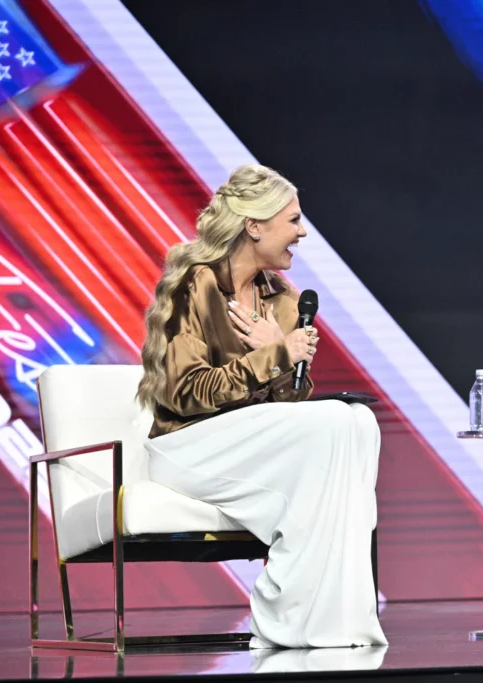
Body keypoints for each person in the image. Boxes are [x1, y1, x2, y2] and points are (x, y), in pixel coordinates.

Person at [136, 164, 387, 649]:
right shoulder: (197, 284)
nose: (302, 231)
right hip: (187, 447)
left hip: (250, 443)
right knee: (337, 420)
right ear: (254, 225)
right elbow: (185, 394)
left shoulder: (283, 300)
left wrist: (278, 352)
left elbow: (289, 403)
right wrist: (274, 355)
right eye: (293, 220)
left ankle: (334, 622)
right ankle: (281, 610)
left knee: (359, 422)